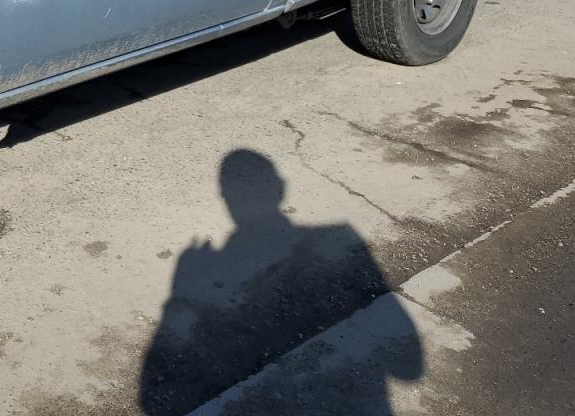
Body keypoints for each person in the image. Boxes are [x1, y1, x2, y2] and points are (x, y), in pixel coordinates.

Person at [139, 150, 422, 415]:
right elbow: (409, 367)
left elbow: (151, 400)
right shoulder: (340, 235)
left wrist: (181, 297)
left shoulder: (335, 237)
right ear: (280, 188)